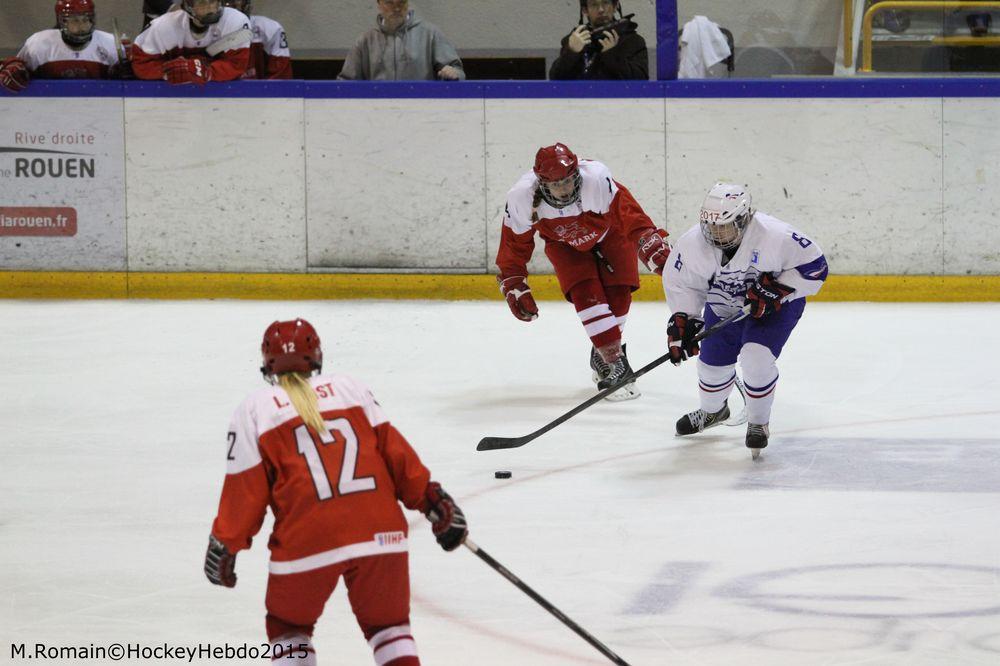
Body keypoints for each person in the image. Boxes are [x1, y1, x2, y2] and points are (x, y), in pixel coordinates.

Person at [204, 318, 468, 666]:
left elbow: (246, 491)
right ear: (316, 357)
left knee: (288, 627)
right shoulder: (350, 389)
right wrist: (434, 500)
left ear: (267, 364)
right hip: (380, 533)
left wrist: (226, 542)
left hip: (306, 537)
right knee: (390, 630)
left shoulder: (255, 409)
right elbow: (396, 456)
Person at [662, 182, 828, 459]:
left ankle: (758, 421)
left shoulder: (775, 235)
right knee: (711, 366)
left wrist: (779, 288)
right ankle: (714, 411)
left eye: (724, 226)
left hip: (774, 308)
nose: (715, 232)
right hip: (723, 304)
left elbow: (816, 267)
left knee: (756, 358)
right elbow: (682, 285)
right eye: (711, 225)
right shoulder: (692, 244)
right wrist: (685, 318)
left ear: (743, 219)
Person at [496, 143, 670, 401]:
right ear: (542, 184)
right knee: (586, 293)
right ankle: (614, 361)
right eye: (555, 185)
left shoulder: (596, 179)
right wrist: (513, 280)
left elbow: (629, 213)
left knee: (619, 294)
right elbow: (514, 243)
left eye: (567, 181)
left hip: (611, 233)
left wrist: (648, 241)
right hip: (563, 245)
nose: (563, 189)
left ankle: (603, 352)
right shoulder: (522, 197)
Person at [0, 0, 121, 94]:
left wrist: (128, 74)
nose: (82, 26)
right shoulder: (38, 44)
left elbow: (125, 83)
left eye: (86, 20)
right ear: (62, 21)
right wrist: (11, 69)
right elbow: (16, 70)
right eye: (75, 20)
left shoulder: (110, 43)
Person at [338, 0, 464, 81]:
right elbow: (345, 83)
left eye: (401, 3)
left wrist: (454, 74)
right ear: (379, 4)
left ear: (408, 3)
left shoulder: (430, 34)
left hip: (422, 110)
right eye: (389, 2)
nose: (396, 8)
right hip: (376, 112)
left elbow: (457, 71)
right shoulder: (365, 41)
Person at [132, 0, 250, 84]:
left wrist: (206, 72)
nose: (210, 8)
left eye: (213, 1)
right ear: (188, 6)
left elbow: (236, 64)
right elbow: (141, 64)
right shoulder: (163, 26)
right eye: (202, 2)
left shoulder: (236, 21)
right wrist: (169, 72)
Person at [549, 0, 648, 80]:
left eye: (605, 2)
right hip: (578, 102)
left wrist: (611, 56)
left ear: (615, 6)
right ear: (585, 10)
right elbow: (555, 78)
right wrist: (572, 52)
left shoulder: (633, 41)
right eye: (594, 4)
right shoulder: (575, 40)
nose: (601, 9)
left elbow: (641, 80)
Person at [222, 0, 291, 79]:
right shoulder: (207, 33)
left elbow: (280, 82)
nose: (231, 6)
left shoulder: (270, 30)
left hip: (259, 91)